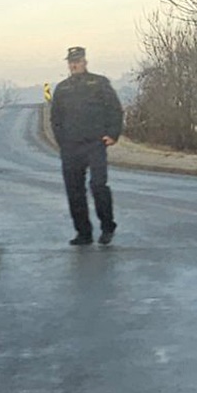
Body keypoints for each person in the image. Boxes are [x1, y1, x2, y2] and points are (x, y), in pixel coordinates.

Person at [50, 46, 124, 246]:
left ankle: (107, 226)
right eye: (71, 62)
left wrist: (113, 134)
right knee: (74, 191)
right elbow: (55, 118)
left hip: (95, 143)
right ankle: (83, 233)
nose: (74, 65)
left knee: (98, 186)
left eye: (78, 61)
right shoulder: (62, 88)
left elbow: (115, 110)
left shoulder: (99, 83)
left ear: (85, 62)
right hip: (71, 147)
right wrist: (62, 141)